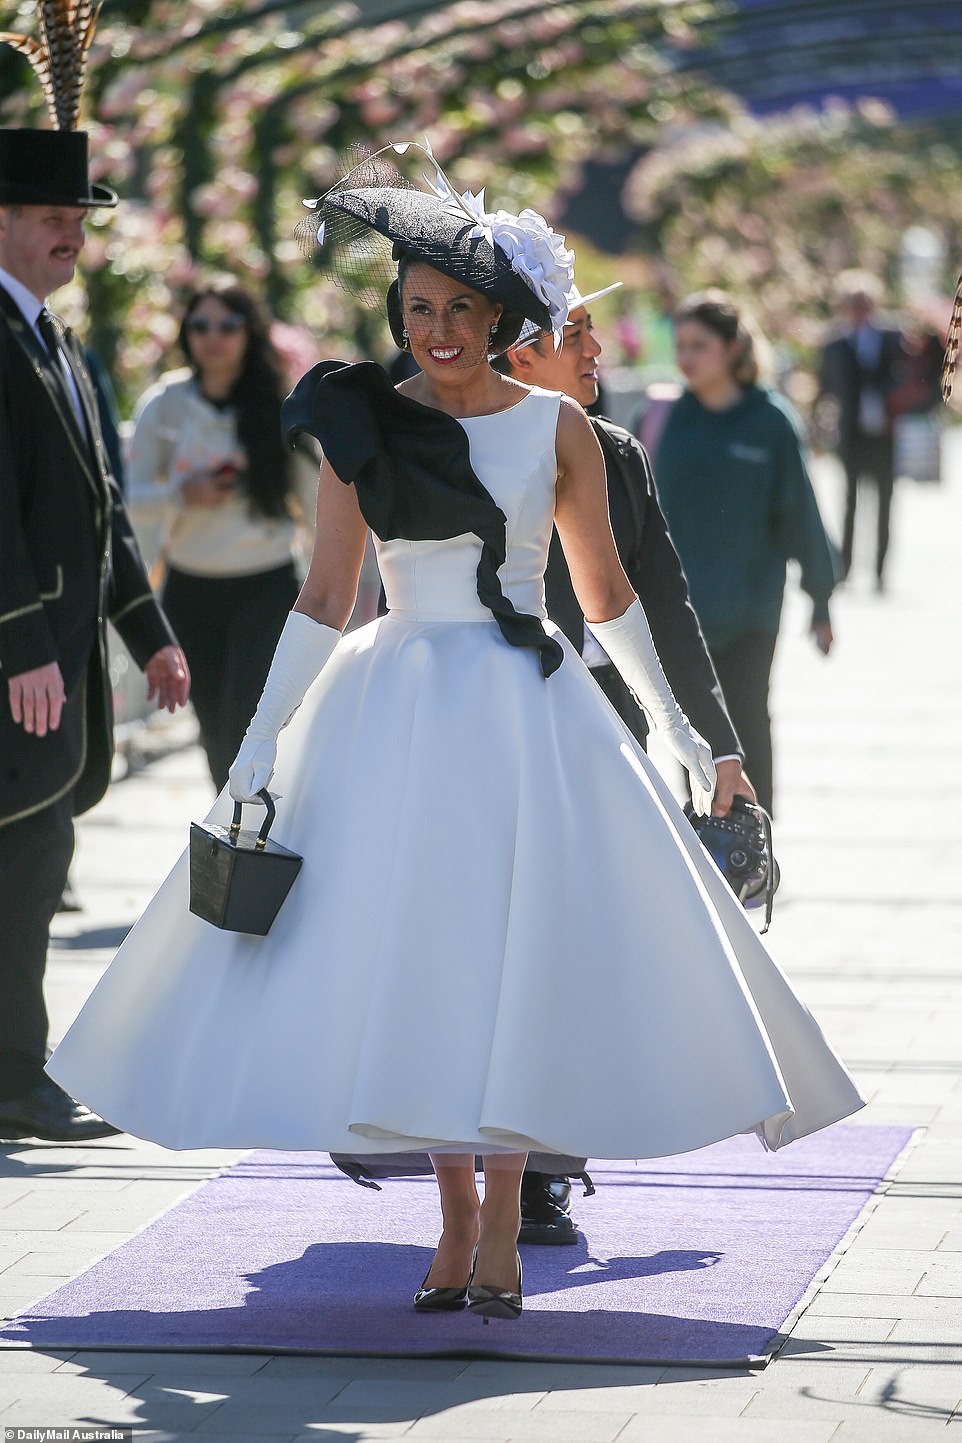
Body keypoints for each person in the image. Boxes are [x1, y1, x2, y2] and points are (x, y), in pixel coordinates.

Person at [47, 147, 863, 1322]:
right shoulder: (355, 424)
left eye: (460, 311)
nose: (435, 330)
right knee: (420, 962)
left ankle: (503, 1228)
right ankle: (455, 1226)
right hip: (395, 713)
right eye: (417, 309)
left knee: (509, 962)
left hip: (530, 718)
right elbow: (325, 599)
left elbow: (609, 596)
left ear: (501, 319)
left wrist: (683, 734)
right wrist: (263, 746)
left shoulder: (559, 432)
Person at [492, 281, 753, 1243]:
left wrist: (717, 741)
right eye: (578, 337)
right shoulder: (456, 449)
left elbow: (668, 602)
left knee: (576, 939)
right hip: (491, 724)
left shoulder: (622, 454)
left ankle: (546, 1169)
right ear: (519, 353)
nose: (599, 354)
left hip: (605, 727)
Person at [0, 125, 190, 1144]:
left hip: (62, 669)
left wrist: (149, 632)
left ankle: (15, 1078)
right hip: (17, 668)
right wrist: (21, 642)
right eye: (48, 217)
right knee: (21, 877)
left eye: (78, 218)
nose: (71, 234)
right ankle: (15, 1084)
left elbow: (102, 508)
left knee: (32, 873)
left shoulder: (59, 342)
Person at [126, 279, 320, 789]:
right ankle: (231, 834)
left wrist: (343, 589)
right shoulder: (163, 404)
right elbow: (129, 497)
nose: (213, 337)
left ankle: (261, 826)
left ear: (249, 333)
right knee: (213, 727)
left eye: (227, 326)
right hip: (191, 589)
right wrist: (180, 494)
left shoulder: (281, 406)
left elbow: (320, 503)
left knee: (249, 718)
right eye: (200, 325)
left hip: (267, 585)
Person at [656, 290, 837, 819]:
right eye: (680, 346)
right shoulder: (666, 418)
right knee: (693, 730)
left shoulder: (771, 421)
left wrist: (821, 601)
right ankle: (707, 843)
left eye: (699, 346)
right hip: (682, 611)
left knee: (747, 721)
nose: (685, 358)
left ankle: (757, 842)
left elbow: (801, 514)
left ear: (733, 349)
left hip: (752, 608)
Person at [816, 272, 902, 590]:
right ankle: (847, 568)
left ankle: (880, 571)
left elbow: (906, 375)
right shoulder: (835, 343)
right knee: (849, 501)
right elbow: (825, 387)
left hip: (884, 431)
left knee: (885, 502)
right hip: (852, 433)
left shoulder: (893, 336)